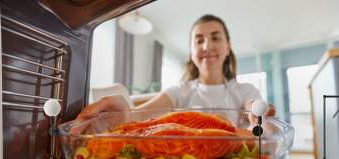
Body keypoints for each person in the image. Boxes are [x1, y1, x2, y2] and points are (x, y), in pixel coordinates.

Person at [76, 14, 274, 121]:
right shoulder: (180, 92)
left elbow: (254, 108)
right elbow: (137, 115)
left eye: (215, 37)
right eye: (199, 40)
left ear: (228, 47)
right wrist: (121, 114)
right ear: (191, 51)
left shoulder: (244, 90)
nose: (206, 46)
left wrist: (259, 115)